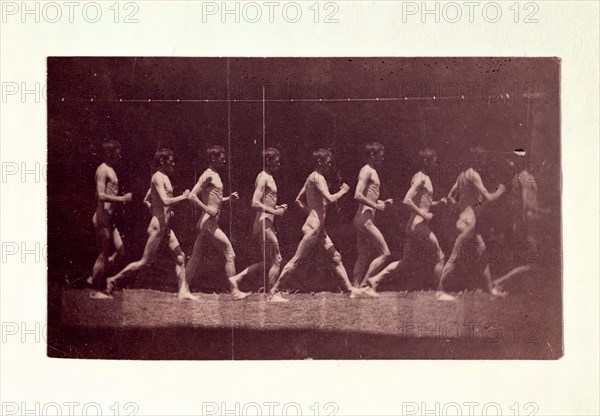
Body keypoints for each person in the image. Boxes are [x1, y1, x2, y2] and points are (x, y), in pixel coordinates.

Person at [269, 149, 368, 301]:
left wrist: (312, 214)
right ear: (319, 162)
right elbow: (329, 198)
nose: (330, 164)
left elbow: (298, 200)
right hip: (314, 228)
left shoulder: (312, 177)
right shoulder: (317, 178)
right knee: (296, 260)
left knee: (336, 257)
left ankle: (350, 290)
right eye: (327, 161)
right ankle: (273, 292)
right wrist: (343, 190)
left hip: (317, 227)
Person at [105, 148, 197, 300]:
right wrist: (184, 197)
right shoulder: (157, 177)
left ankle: (183, 292)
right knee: (144, 262)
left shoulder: (164, 177)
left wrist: (164, 212)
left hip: (165, 226)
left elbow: (146, 200)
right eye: (171, 160)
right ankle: (112, 280)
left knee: (180, 256)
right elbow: (165, 200)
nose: (173, 163)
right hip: (158, 227)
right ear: (162, 161)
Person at [366, 148, 446, 294]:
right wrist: (423, 213)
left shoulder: (421, 177)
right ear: (426, 161)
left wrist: (437, 203)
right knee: (439, 255)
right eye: (434, 161)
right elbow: (407, 200)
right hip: (419, 226)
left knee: (406, 263)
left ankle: (375, 279)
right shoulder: (422, 178)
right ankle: (439, 293)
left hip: (413, 226)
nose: (436, 164)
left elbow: (422, 202)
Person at [437, 145, 506, 301]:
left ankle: (490, 290)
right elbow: (489, 198)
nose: (483, 161)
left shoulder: (462, 175)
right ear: (476, 158)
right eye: (482, 158)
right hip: (468, 224)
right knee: (454, 257)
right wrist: (500, 191)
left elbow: (449, 197)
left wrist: (460, 206)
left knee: (482, 254)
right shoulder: (474, 175)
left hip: (466, 222)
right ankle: (439, 290)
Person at [186, 145, 248, 300]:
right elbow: (192, 196)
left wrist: (228, 199)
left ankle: (183, 289)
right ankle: (234, 291)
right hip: (209, 224)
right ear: (213, 158)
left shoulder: (215, 175)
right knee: (230, 252)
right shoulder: (208, 175)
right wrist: (207, 209)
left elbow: (215, 199)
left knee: (195, 257)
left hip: (208, 223)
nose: (224, 160)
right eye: (221, 158)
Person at [229, 148, 288, 297]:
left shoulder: (269, 177)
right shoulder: (263, 177)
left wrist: (277, 207)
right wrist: (274, 211)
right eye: (276, 161)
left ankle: (236, 278)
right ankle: (273, 295)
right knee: (277, 259)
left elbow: (265, 202)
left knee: (268, 262)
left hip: (265, 222)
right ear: (268, 161)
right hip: (264, 223)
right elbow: (255, 203)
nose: (279, 163)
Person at [89, 140, 133, 299]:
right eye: (117, 152)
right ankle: (95, 291)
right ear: (110, 153)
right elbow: (100, 195)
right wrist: (122, 199)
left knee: (121, 252)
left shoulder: (112, 169)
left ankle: (97, 276)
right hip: (102, 218)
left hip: (110, 220)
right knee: (102, 254)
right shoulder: (102, 169)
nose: (120, 155)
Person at [352, 142, 394, 288]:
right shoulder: (367, 171)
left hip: (363, 218)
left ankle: (355, 289)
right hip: (365, 220)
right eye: (380, 156)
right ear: (372, 155)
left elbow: (368, 197)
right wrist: (376, 205)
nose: (383, 159)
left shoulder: (372, 171)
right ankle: (364, 286)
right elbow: (357, 194)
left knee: (363, 257)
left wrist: (383, 202)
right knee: (386, 253)